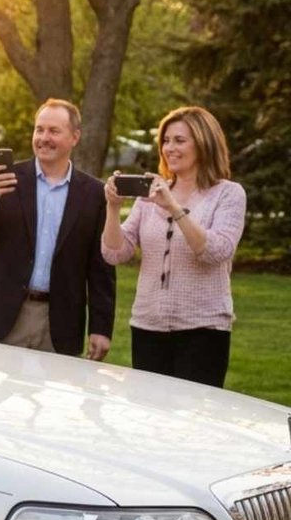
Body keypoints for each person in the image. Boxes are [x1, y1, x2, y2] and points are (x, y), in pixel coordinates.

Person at [100, 106, 247, 387]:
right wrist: (112, 208)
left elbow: (216, 251)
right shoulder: (150, 196)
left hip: (203, 330)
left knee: (192, 422)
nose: (170, 148)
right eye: (166, 141)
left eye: (180, 140)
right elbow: (115, 252)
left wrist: (174, 207)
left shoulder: (228, 193)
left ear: (204, 144)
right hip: (147, 326)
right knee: (152, 419)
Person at [0, 98, 114, 359]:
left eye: (54, 131)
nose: (44, 138)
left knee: (53, 399)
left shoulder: (93, 193)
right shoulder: (4, 177)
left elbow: (101, 266)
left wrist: (101, 328)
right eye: (39, 129)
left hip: (59, 322)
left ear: (75, 137)